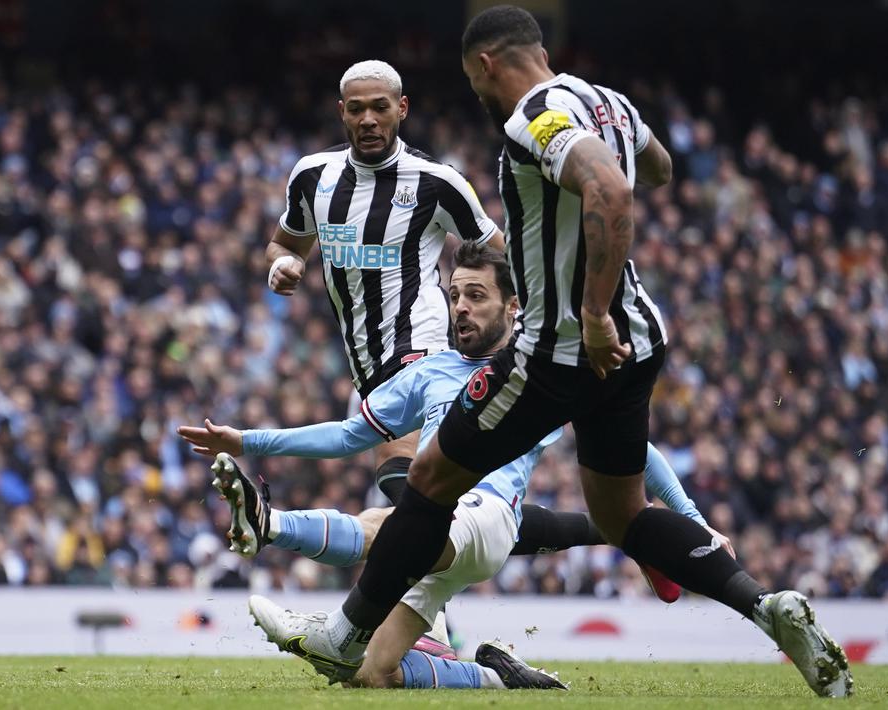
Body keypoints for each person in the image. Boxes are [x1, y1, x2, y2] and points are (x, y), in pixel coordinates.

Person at [247, 6, 852, 698]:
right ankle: (765, 607)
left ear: (485, 65)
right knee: (620, 516)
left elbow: (612, 186)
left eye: (473, 84)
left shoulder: (533, 115)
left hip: (565, 344)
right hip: (636, 342)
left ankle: (345, 633)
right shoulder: (609, 102)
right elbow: (654, 167)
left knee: (429, 476)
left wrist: (590, 311)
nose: (477, 99)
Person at [180, 242, 717, 690]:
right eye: (455, 295)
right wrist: (247, 440)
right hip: (442, 522)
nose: (460, 307)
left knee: (401, 523)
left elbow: (635, 450)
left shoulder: (540, 370)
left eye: (476, 296)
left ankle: (272, 525)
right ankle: (497, 679)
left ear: (513, 307)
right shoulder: (431, 372)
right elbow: (347, 436)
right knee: (373, 675)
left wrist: (687, 513)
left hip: (485, 519)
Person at [266, 59, 504, 508]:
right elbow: (284, 245)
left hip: (421, 340)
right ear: (342, 112)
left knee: (410, 482)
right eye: (356, 109)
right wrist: (282, 265)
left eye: (380, 107)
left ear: (402, 108)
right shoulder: (313, 176)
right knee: (422, 498)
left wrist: (488, 316)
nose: (368, 119)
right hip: (364, 357)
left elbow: (499, 254)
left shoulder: (438, 182)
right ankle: (594, 529)